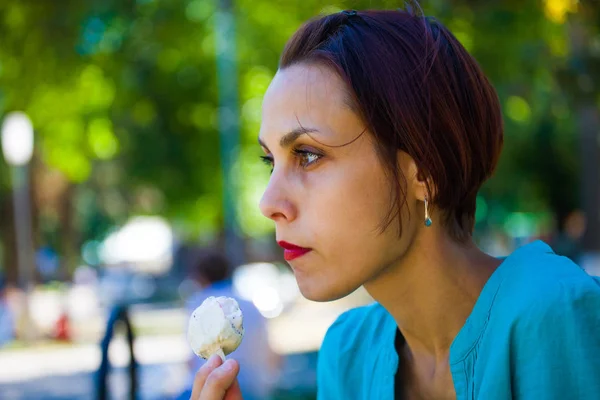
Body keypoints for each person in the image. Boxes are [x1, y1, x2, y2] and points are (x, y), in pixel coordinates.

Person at [191, 6, 600, 400]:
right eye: (270, 161)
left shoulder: (554, 313)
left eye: (308, 154)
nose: (268, 202)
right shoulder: (349, 354)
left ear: (424, 173)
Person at [180, 248, 279, 400]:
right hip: (254, 389)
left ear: (201, 277)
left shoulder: (198, 305)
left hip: (210, 385)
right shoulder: (250, 304)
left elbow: (190, 359)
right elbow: (271, 354)